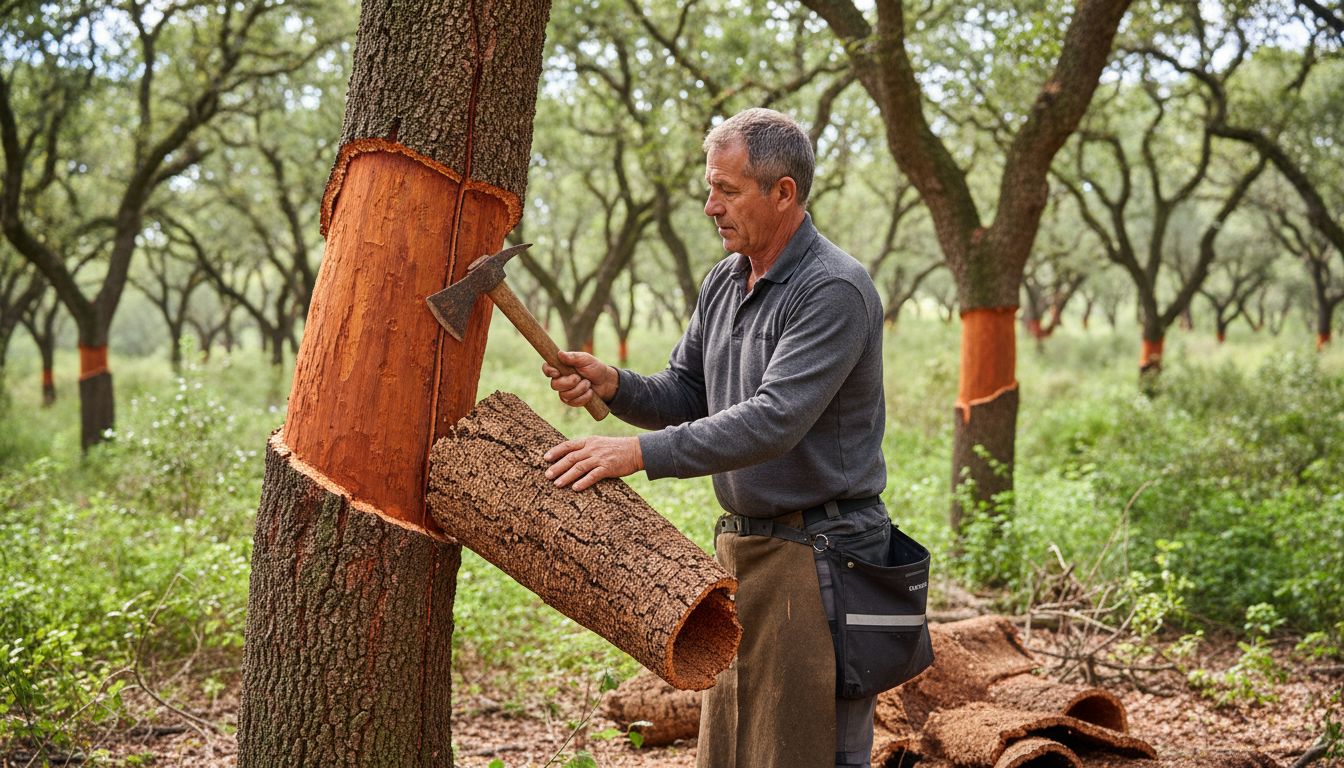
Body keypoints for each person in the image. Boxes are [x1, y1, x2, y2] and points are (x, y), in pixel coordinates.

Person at [542, 107, 889, 768]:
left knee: (810, 752)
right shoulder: (726, 281)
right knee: (735, 750)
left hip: (822, 559)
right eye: (710, 188)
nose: (710, 206)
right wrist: (614, 384)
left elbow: (773, 420)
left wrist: (635, 454)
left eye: (727, 191)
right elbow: (686, 391)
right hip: (743, 555)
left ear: (783, 193)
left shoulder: (835, 289)